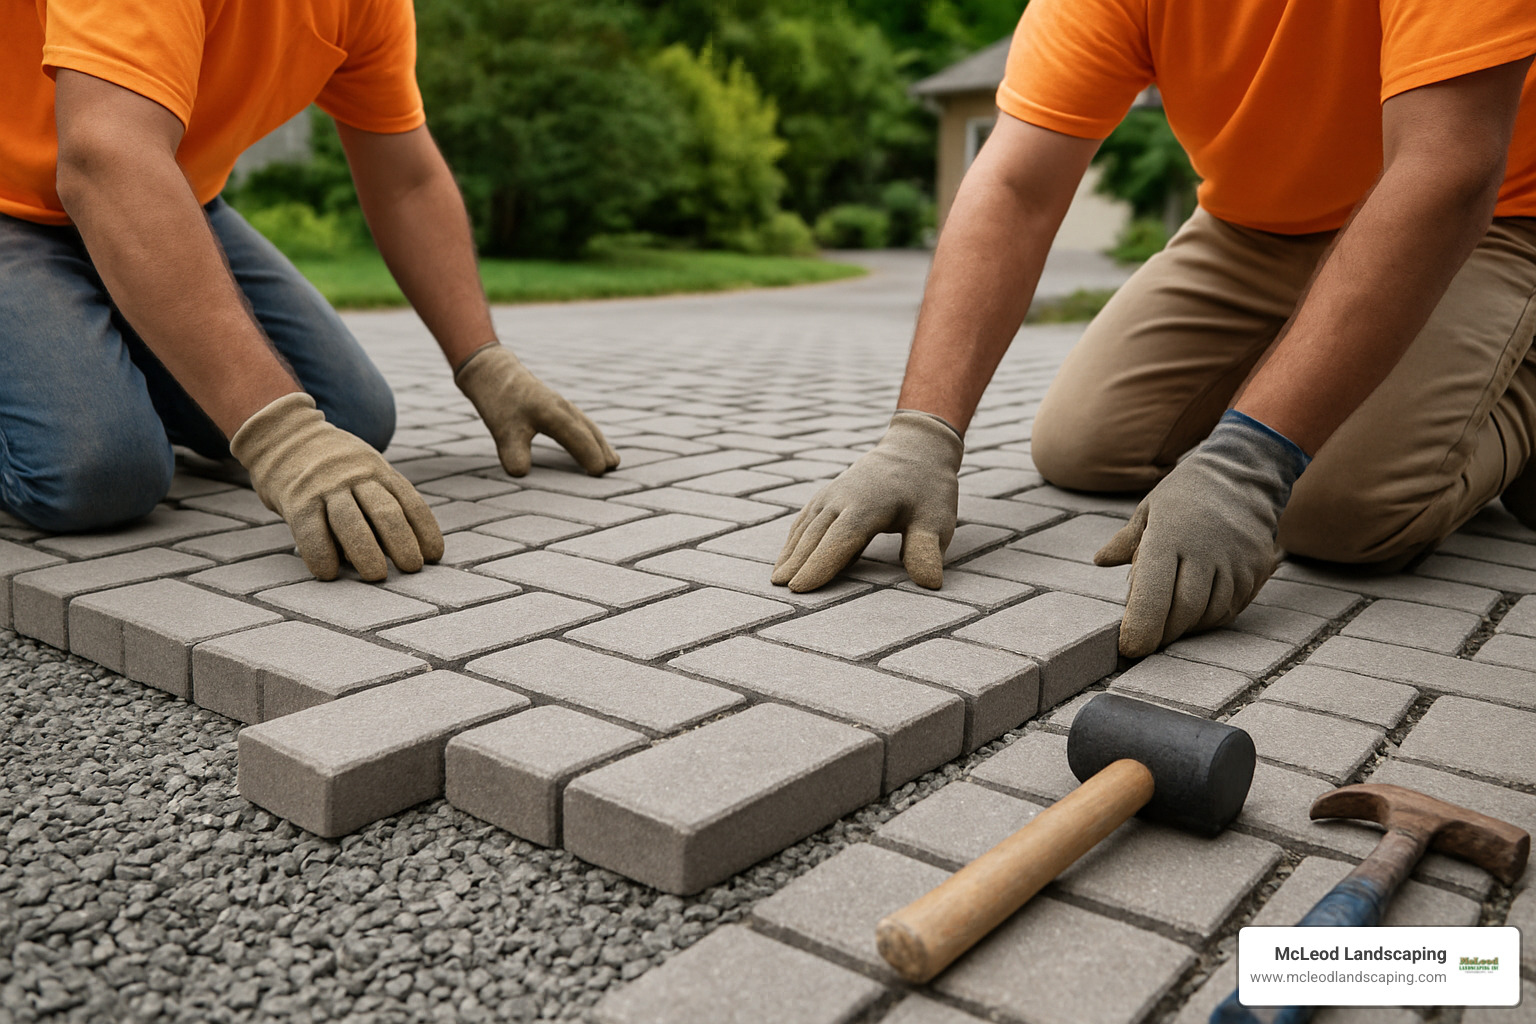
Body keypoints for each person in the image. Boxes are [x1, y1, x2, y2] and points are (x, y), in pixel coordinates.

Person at [773, 0, 1536, 658]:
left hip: (1489, 217)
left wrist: (1248, 460)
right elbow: (1015, 184)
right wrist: (921, 434)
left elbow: (1447, 165)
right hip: (1254, 227)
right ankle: (1326, 373)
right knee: (1084, 444)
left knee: (1337, 513)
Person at [0, 0, 618, 583]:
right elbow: (103, 156)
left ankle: (88, 365)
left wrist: (484, 360)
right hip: (29, 201)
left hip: (163, 194)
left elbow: (406, 178)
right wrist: (279, 437)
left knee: (349, 417)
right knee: (96, 476)